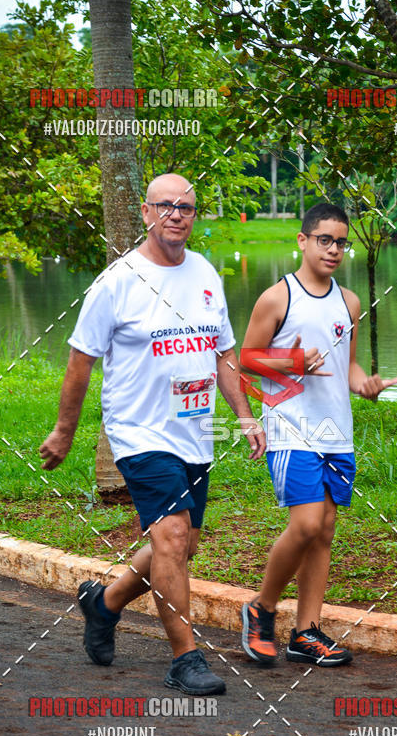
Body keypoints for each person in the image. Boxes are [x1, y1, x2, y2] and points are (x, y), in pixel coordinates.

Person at [39, 173, 265, 695]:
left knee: (182, 547)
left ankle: (105, 603)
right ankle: (185, 659)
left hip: (193, 432)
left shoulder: (206, 273)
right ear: (146, 213)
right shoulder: (117, 281)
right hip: (138, 432)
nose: (176, 215)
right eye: (166, 206)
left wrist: (246, 415)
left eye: (186, 207)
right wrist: (64, 431)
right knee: (172, 535)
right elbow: (80, 360)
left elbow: (224, 353)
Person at [240, 203, 397, 667]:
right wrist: (291, 362)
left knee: (325, 531)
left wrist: (365, 384)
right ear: (303, 240)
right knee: (306, 524)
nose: (334, 249)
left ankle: (305, 633)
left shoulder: (349, 302)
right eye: (325, 240)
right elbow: (246, 358)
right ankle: (261, 608)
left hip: (337, 432)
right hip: (292, 428)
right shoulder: (278, 297)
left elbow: (346, 366)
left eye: (341, 242)